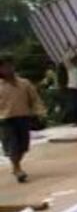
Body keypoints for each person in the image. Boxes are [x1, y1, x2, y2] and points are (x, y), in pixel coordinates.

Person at [0, 55, 46, 183]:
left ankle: (16, 164)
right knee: (13, 145)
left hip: (23, 117)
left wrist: (40, 112)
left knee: (23, 146)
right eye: (4, 67)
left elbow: (35, 99)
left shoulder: (24, 83)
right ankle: (17, 168)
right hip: (6, 120)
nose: (8, 69)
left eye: (10, 66)